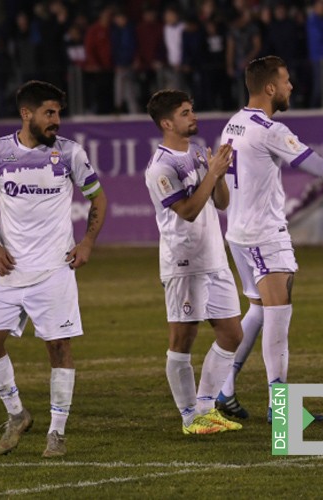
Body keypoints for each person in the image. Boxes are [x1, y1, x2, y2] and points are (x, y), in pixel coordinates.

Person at [0, 80, 107, 457]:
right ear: (26, 114)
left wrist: (87, 242)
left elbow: (97, 197)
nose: (57, 121)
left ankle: (57, 433)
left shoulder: (69, 154)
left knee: (59, 347)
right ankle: (16, 414)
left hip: (54, 269)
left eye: (59, 113)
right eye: (50, 113)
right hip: (8, 269)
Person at [216, 55, 323, 421]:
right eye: (286, 81)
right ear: (270, 87)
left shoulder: (233, 123)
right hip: (263, 235)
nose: (291, 87)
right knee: (279, 317)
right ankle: (279, 407)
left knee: (259, 311)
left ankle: (224, 389)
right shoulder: (270, 129)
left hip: (238, 232)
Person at [144, 90, 244, 435]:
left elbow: (221, 203)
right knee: (183, 338)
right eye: (185, 113)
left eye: (192, 110)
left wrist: (218, 172)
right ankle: (189, 417)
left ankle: (206, 408)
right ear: (167, 123)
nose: (193, 116)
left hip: (215, 256)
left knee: (233, 334)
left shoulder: (201, 152)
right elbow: (186, 212)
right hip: (184, 260)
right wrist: (210, 174)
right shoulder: (160, 166)